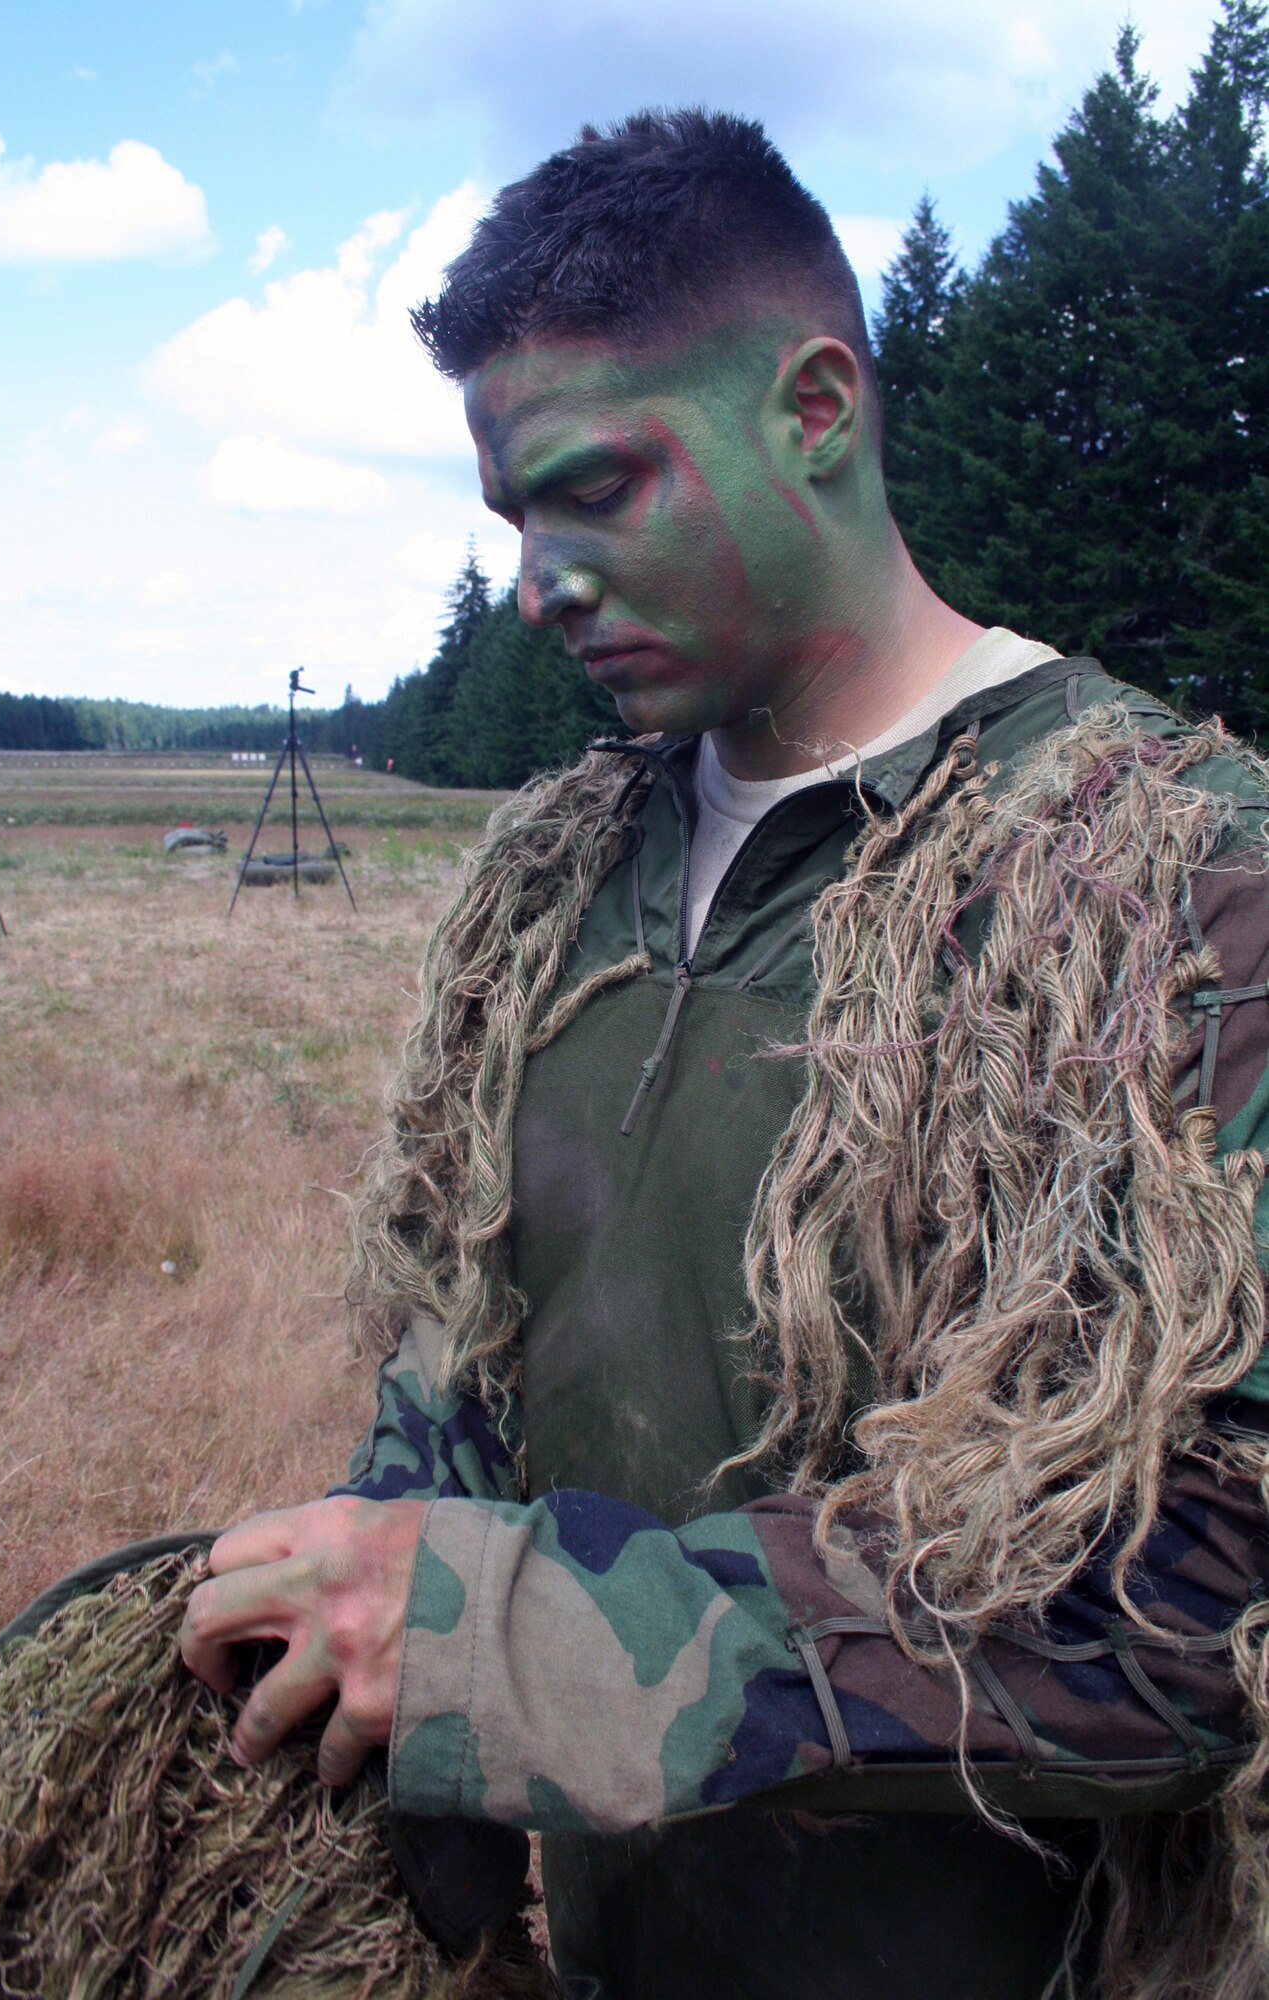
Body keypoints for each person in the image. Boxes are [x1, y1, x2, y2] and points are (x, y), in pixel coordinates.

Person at [180, 111, 1269, 1998]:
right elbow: (467, 1367)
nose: (540, 582)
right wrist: (363, 1637)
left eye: (595, 490)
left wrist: (497, 1650)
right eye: (515, 521)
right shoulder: (551, 887)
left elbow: (1196, 1607)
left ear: (817, 410)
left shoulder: (1171, 884)